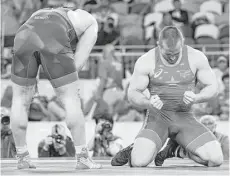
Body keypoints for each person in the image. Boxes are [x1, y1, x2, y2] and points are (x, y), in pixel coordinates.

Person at [111, 26, 223, 167]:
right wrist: (148, 103)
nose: (172, 57)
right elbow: (132, 93)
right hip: (157, 119)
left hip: (184, 117)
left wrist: (197, 97)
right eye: (168, 54)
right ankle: (136, 148)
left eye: (176, 53)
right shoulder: (146, 60)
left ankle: (178, 150)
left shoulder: (196, 57)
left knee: (216, 159)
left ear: (182, 43)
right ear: (159, 45)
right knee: (138, 162)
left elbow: (213, 87)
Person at [10, 7, 101, 169]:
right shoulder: (91, 23)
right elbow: (78, 64)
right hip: (54, 34)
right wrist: (64, 84)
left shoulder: (43, 12)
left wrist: (36, 78)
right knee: (71, 99)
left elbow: (36, 38)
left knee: (19, 100)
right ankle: (83, 158)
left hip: (23, 33)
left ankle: (22, 157)